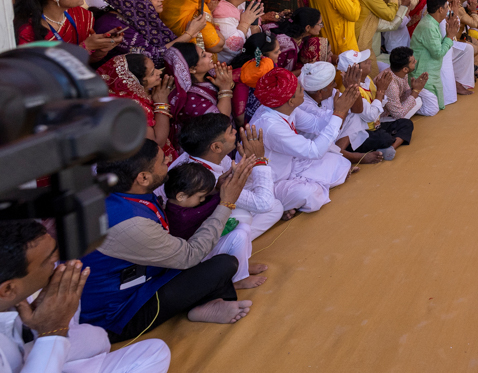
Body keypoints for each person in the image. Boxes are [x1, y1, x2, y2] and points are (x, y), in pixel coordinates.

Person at [79, 139, 255, 340]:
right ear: (143, 177)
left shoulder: (118, 193)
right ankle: (201, 305)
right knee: (223, 265)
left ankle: (206, 303)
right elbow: (190, 256)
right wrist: (226, 203)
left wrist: (214, 191)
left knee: (215, 256)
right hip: (117, 316)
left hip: (146, 276)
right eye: (163, 161)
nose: (170, 159)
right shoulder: (130, 224)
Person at [0, 220, 172, 373]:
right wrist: (52, 332)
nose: (59, 265)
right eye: (50, 261)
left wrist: (38, 326)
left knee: (153, 351)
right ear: (8, 289)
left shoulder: (13, 297)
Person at [247, 67, 354, 214]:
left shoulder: (281, 107)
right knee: (311, 195)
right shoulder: (270, 125)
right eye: (299, 89)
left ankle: (296, 196)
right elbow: (314, 151)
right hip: (270, 182)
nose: (303, 89)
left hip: (290, 166)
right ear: (290, 101)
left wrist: (339, 110)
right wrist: (339, 113)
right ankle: (283, 204)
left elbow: (316, 125)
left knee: (341, 163)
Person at [174, 113, 283, 242]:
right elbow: (264, 204)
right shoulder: (200, 177)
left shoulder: (203, 155)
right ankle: (228, 247)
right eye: (231, 132)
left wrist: (249, 161)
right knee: (247, 215)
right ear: (216, 147)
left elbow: (242, 185)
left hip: (206, 217)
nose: (236, 131)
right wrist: (259, 161)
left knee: (275, 205)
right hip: (192, 236)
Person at [14, 0, 121, 62]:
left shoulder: (81, 15)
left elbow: (84, 63)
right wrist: (85, 47)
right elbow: (36, 74)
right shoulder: (26, 29)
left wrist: (100, 50)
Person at [410, 0, 459, 111]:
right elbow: (437, 53)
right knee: (433, 109)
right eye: (447, 7)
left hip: (430, 73)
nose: (448, 10)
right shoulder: (429, 26)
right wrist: (449, 36)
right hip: (422, 74)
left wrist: (449, 35)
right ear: (440, 10)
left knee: (438, 106)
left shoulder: (432, 23)